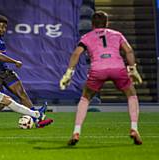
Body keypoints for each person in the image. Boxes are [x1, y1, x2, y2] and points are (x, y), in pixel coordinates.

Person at [60, 11, 143, 145]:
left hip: (98, 69)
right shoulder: (117, 34)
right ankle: (134, 128)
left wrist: (68, 74)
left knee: (85, 97)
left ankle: (76, 131)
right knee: (131, 94)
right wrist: (132, 69)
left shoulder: (86, 37)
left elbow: (76, 54)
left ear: (92, 24)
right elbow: (128, 50)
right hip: (117, 68)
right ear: (107, 23)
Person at [0, 15, 53, 128]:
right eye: (1, 27)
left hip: (4, 71)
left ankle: (37, 118)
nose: (3, 29)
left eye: (5, 27)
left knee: (21, 93)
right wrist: (15, 61)